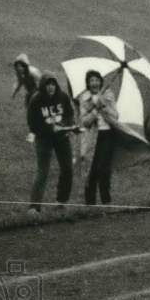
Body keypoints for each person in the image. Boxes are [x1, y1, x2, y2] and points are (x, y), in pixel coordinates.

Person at [26, 72, 76, 216]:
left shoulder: (63, 97)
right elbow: (32, 123)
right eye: (48, 84)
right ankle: (34, 207)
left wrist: (64, 125)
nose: (51, 87)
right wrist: (49, 129)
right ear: (43, 86)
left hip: (61, 137)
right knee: (43, 171)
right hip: (44, 139)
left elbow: (70, 114)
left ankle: (62, 202)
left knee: (67, 168)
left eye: (53, 84)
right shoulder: (36, 100)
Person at [77, 70, 120, 206]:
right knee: (92, 169)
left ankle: (106, 201)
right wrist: (95, 109)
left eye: (97, 80)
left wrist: (104, 106)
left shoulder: (108, 94)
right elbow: (84, 122)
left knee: (104, 169)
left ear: (101, 82)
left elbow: (115, 115)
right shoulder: (84, 98)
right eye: (91, 81)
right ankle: (90, 203)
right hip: (92, 138)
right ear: (88, 83)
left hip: (108, 134)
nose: (94, 83)